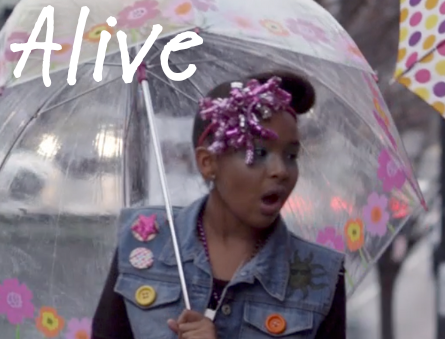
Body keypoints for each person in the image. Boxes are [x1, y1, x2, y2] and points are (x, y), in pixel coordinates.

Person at [92, 71, 347, 339]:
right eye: (258, 153)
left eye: (291, 155)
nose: (281, 171)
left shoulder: (320, 276)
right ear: (208, 162)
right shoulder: (143, 241)